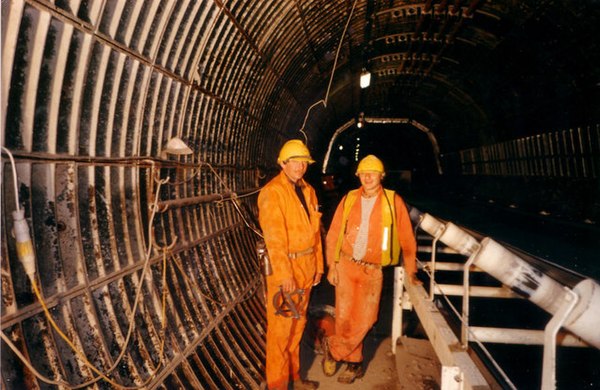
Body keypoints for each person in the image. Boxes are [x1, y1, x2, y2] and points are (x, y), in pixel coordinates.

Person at [322, 154, 420, 384]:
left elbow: (407, 237)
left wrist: (412, 269)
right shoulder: (349, 199)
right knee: (345, 318)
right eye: (364, 173)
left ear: (381, 176)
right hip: (346, 265)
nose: (368, 177)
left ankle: (334, 348)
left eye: (373, 173)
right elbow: (334, 233)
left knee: (367, 318)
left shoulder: (393, 201)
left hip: (372, 269)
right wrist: (331, 266)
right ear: (358, 176)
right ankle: (353, 364)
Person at [258, 139, 324, 390]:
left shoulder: (308, 190)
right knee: (280, 333)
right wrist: (284, 274)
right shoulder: (272, 193)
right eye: (295, 161)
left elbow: (315, 232)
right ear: (283, 163)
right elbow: (274, 239)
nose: (300, 166)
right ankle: (277, 385)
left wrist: (319, 265)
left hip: (306, 268)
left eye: (304, 162)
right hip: (286, 271)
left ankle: (294, 378)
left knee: (298, 327)